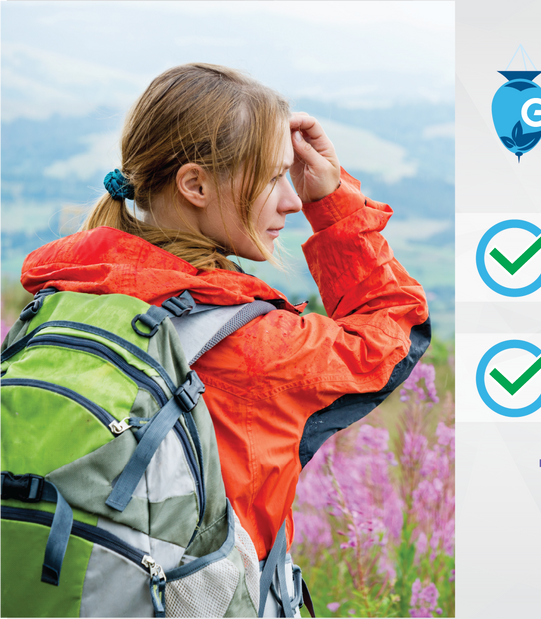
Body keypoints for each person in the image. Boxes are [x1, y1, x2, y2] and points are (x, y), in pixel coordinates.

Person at [19, 63, 430, 614]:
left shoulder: (60, 299)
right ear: (195, 184)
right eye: (271, 179)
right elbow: (394, 330)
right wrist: (330, 204)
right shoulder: (256, 345)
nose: (288, 201)